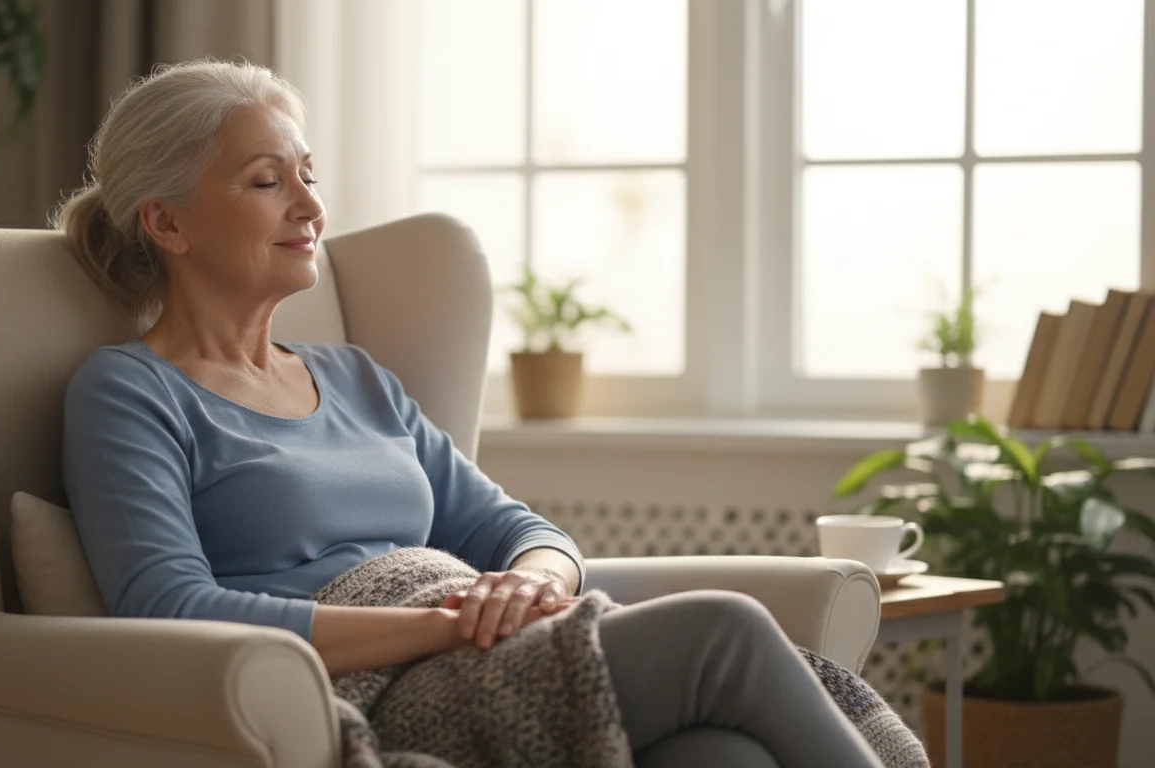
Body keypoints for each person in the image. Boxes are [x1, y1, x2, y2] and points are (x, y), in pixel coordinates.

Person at [56, 59, 883, 768]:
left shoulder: (355, 379)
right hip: (376, 686)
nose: (308, 206)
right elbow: (170, 607)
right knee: (723, 630)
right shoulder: (130, 392)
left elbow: (522, 531)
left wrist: (529, 584)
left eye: (309, 175)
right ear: (167, 222)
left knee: (719, 755)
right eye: (268, 182)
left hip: (482, 646)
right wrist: (442, 627)